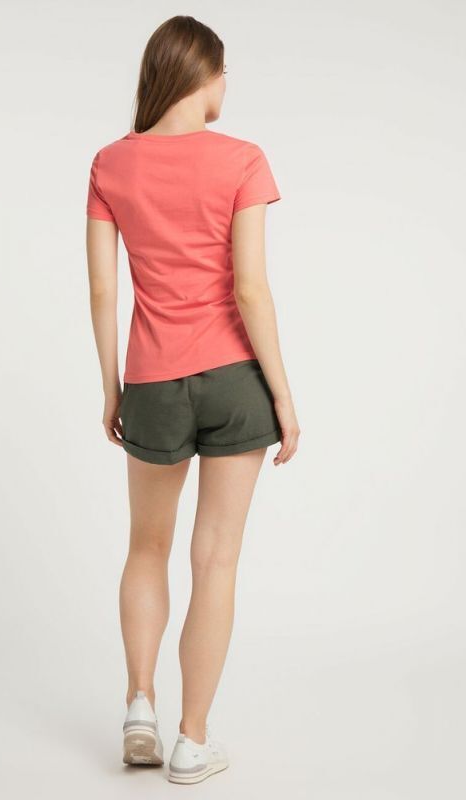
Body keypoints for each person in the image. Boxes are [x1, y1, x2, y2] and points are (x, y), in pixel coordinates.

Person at [85, 15, 301, 784]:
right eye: (224, 72)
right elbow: (250, 289)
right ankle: (191, 740)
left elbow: (104, 290)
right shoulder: (242, 159)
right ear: (204, 75)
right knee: (215, 560)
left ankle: (139, 708)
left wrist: (112, 387)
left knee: (147, 546)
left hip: (151, 381)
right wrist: (284, 399)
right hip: (236, 379)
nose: (226, 85)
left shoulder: (111, 163)